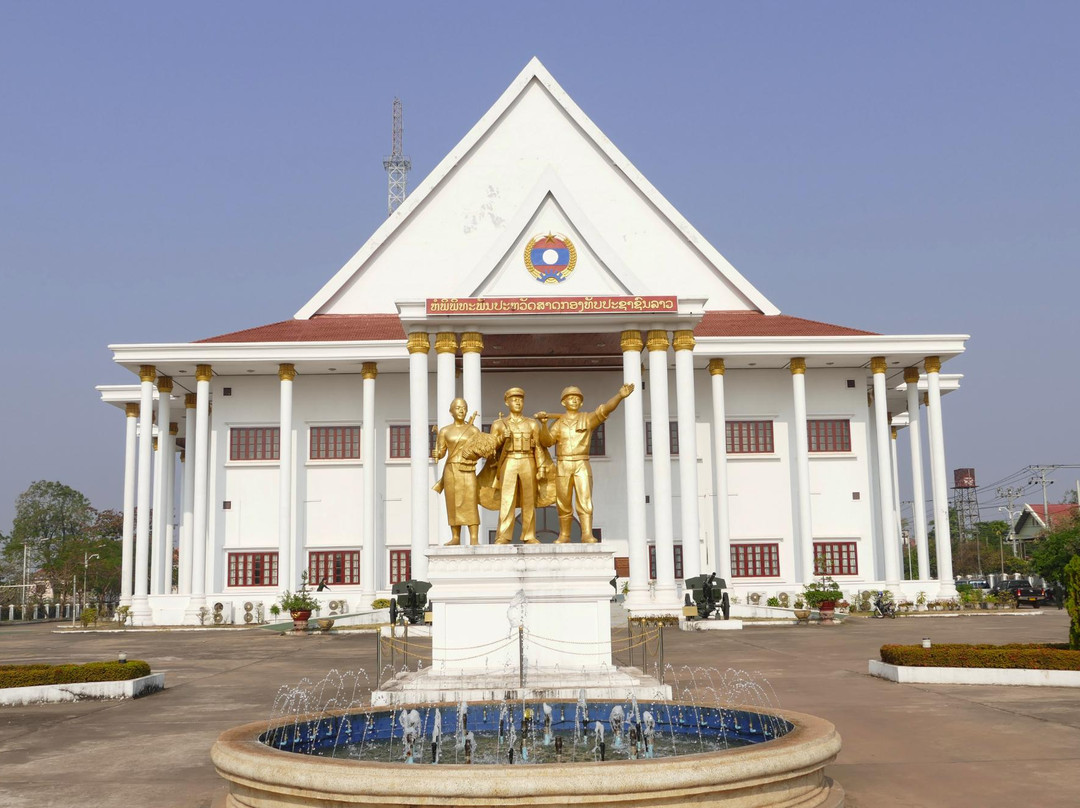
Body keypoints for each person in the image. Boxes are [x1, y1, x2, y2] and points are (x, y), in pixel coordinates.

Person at [536, 383, 633, 543]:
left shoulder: (587, 419)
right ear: (563, 403)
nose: (574, 400)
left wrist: (620, 396)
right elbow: (547, 442)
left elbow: (605, 409)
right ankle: (565, 535)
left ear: (581, 403)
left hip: (581, 463)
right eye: (570, 398)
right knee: (563, 502)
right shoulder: (558, 423)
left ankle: (587, 533)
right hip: (563, 464)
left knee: (584, 499)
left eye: (577, 398)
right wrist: (544, 424)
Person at [486, 387, 552, 545]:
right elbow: (490, 447)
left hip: (527, 460)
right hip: (508, 461)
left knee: (529, 500)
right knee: (507, 499)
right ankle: (503, 535)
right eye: (514, 400)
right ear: (506, 402)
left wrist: (541, 466)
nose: (518, 402)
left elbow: (538, 447)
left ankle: (529, 535)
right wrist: (502, 437)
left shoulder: (531, 424)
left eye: (520, 399)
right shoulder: (499, 424)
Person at [431, 398, 481, 545]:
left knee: (470, 501)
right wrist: (437, 454)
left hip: (468, 468)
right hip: (451, 469)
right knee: (452, 502)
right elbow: (441, 452)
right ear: (451, 411)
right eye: (458, 408)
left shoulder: (473, 430)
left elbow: (479, 450)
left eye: (464, 408)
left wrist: (472, 455)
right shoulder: (445, 431)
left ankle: (473, 537)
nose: (461, 410)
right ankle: (456, 537)